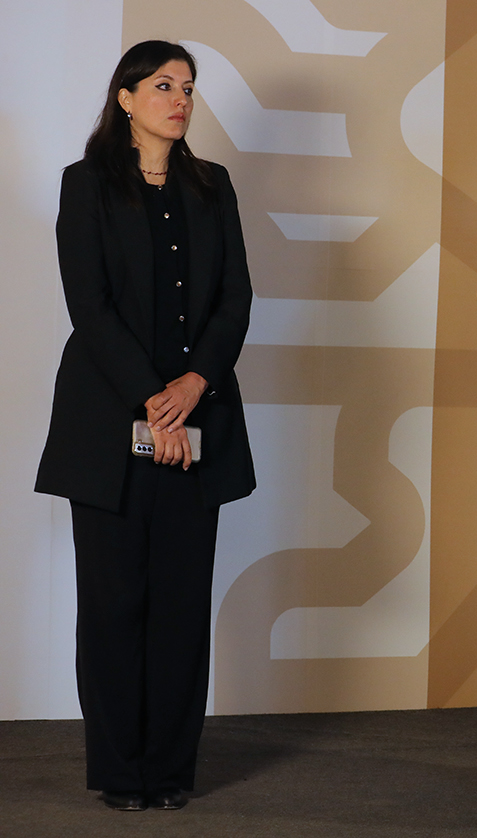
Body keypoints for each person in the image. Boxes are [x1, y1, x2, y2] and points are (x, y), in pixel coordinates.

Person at [35, 40, 256, 812]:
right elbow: (89, 305)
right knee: (113, 605)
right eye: (164, 85)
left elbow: (235, 298)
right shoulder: (87, 183)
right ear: (126, 97)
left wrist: (194, 384)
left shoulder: (212, 185)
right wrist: (152, 399)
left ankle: (167, 772)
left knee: (180, 606)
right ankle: (120, 773)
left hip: (200, 422)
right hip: (107, 426)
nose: (180, 99)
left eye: (189, 88)